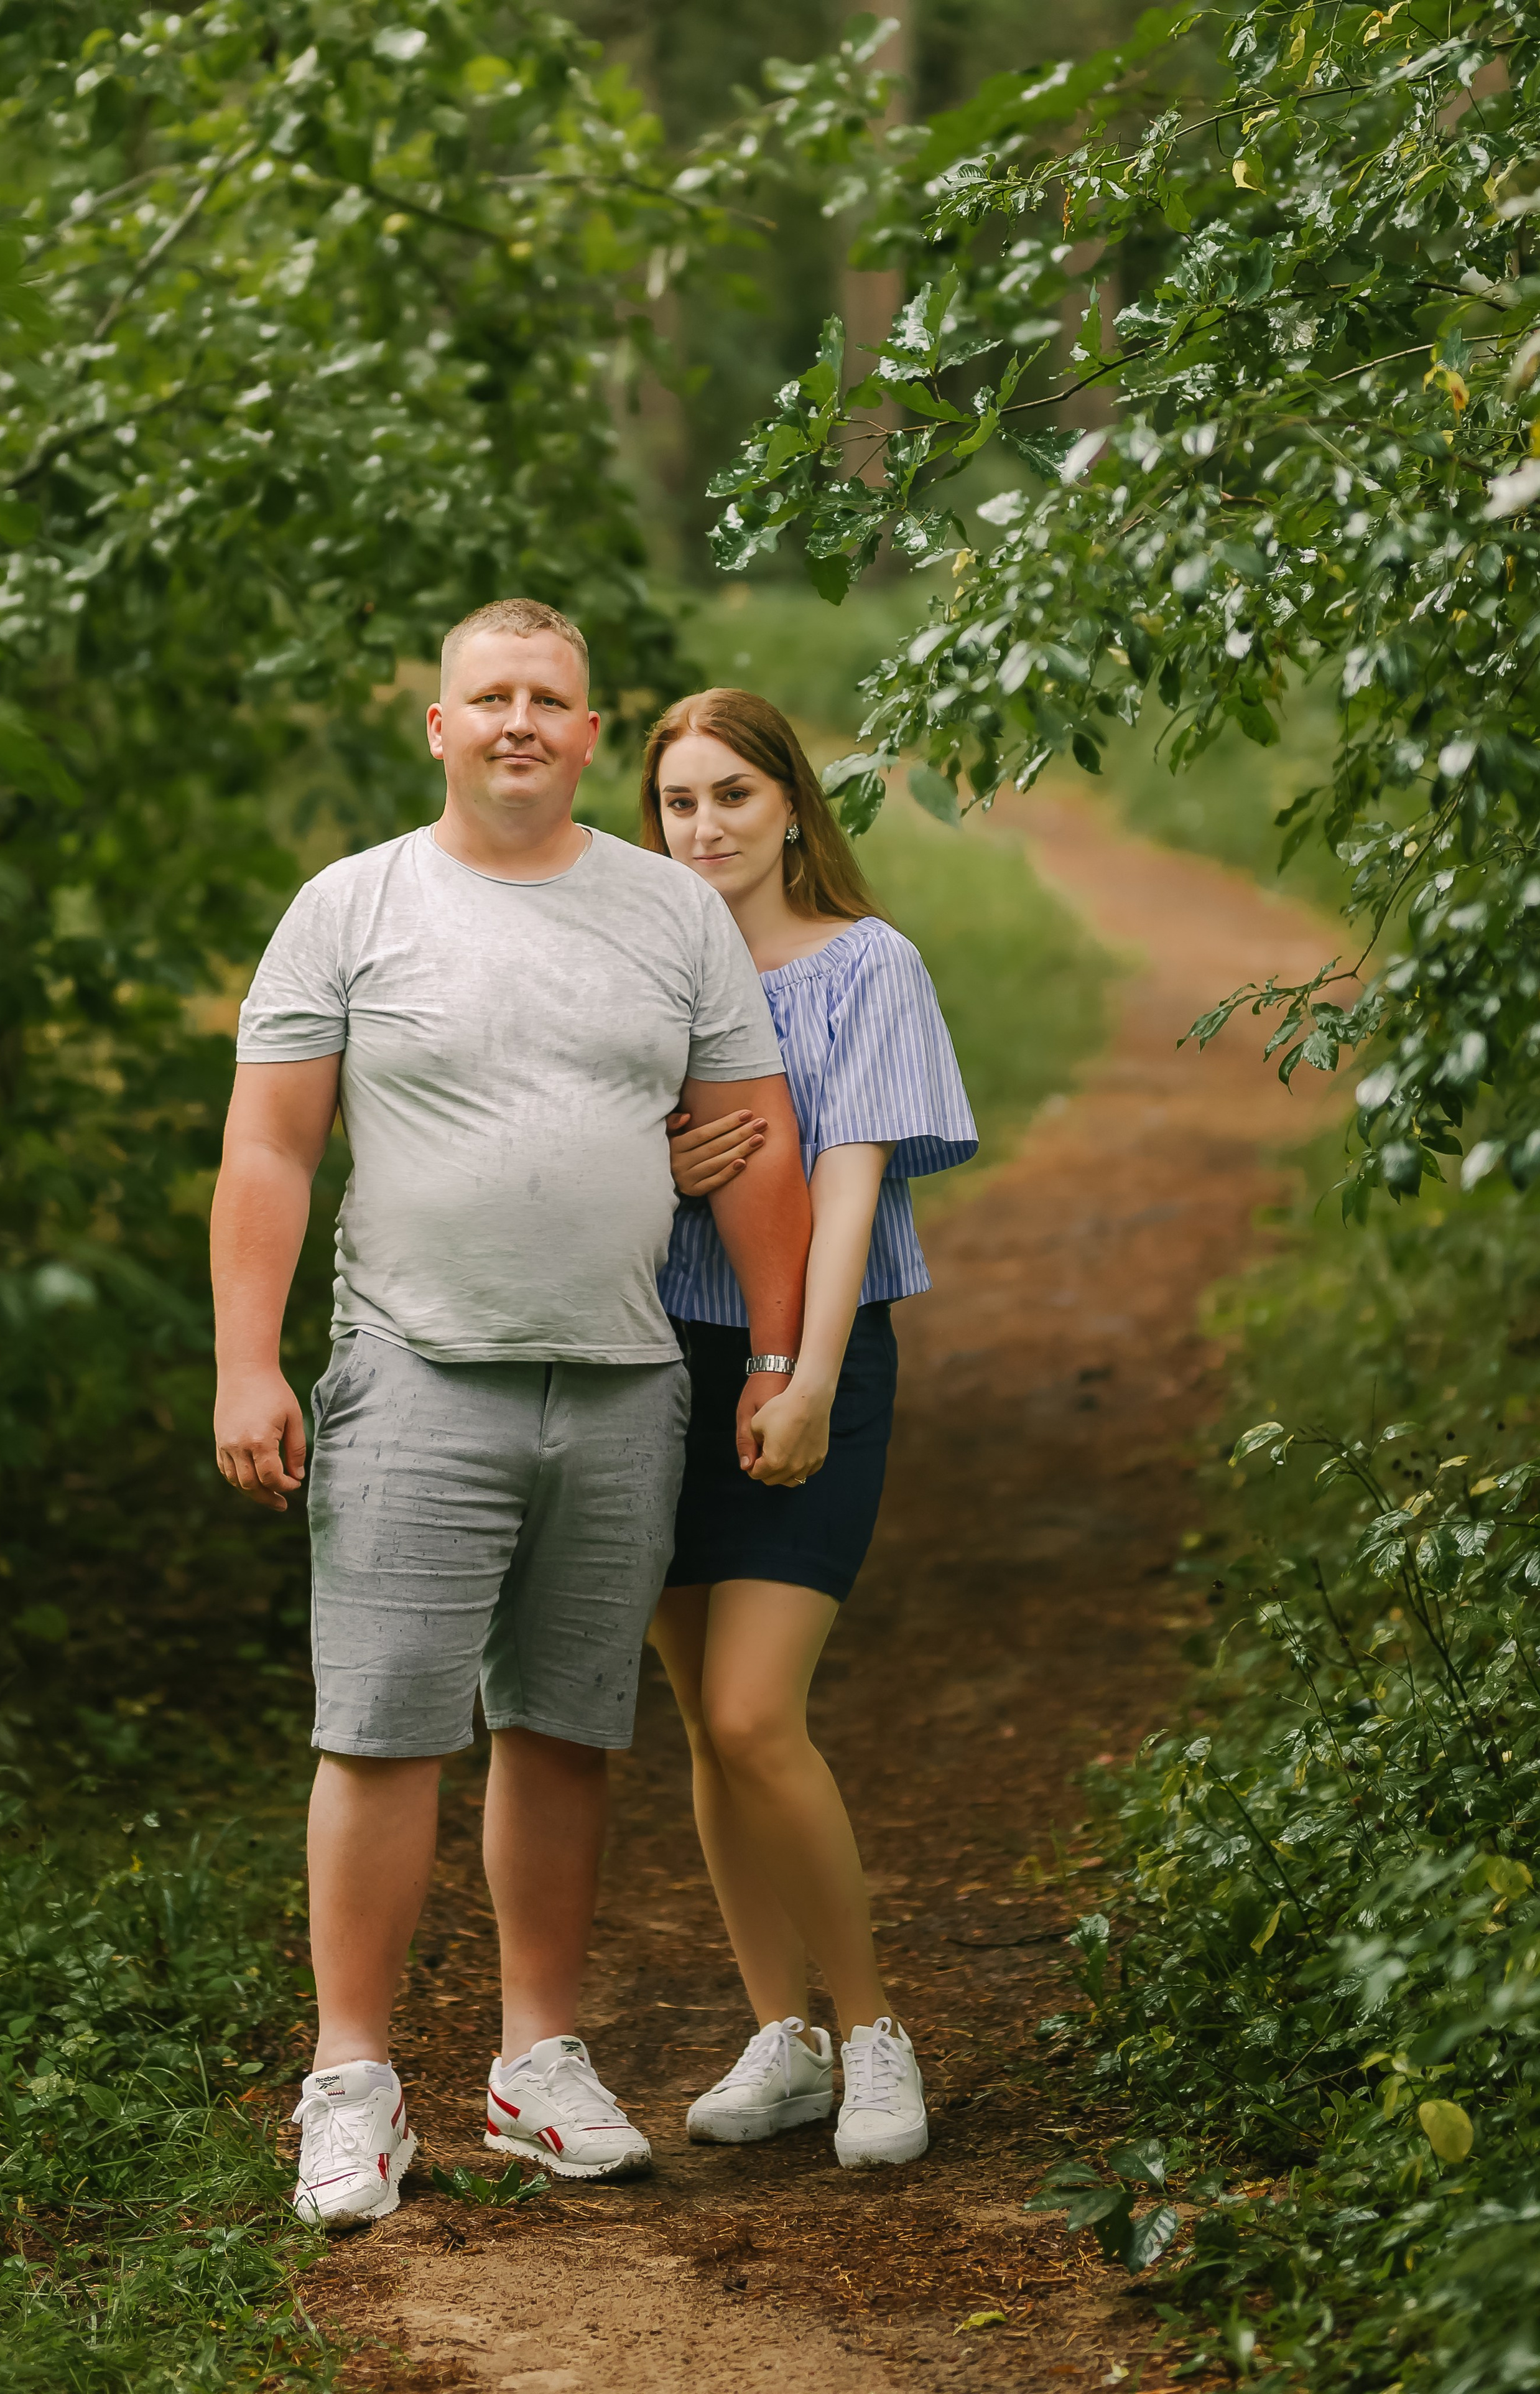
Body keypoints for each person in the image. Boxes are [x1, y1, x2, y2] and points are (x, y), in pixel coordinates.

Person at [210, 603, 814, 2226]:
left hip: (622, 1384)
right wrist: (246, 1362)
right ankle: (353, 2082)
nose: (521, 723)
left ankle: (538, 2061)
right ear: (440, 724)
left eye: (551, 699)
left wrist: (772, 1357)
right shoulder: (355, 906)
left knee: (564, 1732)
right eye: (493, 698)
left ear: (591, 729)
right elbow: (270, 1147)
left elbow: (752, 1135)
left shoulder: (667, 916)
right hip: (413, 1376)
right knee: (383, 1731)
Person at [641, 687, 978, 2170]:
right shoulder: (639, 966)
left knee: (748, 1711)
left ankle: (873, 2030)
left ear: (790, 804)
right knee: (700, 1726)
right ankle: (777, 2031)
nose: (704, 826)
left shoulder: (867, 966)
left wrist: (808, 1377)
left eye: (732, 795)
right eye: (678, 803)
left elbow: (847, 1187)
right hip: (649, 1356)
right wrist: (647, 1150)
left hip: (810, 1354)